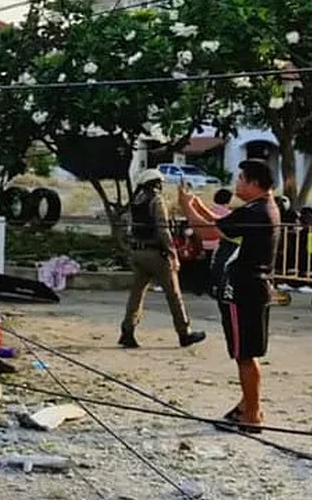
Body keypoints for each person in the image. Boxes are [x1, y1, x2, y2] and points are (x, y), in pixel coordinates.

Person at [178, 159, 280, 434]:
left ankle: (252, 414)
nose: (237, 183)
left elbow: (208, 231)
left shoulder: (254, 212)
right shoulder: (259, 208)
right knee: (248, 352)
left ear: (255, 184)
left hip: (242, 290)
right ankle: (247, 406)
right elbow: (222, 223)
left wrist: (186, 206)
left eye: (241, 179)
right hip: (254, 289)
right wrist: (197, 205)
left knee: (244, 355)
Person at [120, 169, 207, 349]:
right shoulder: (156, 200)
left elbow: (129, 228)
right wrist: (173, 252)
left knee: (136, 295)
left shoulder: (136, 201)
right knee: (173, 294)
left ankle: (127, 331)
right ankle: (184, 332)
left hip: (138, 252)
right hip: (156, 254)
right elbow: (163, 229)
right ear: (156, 183)